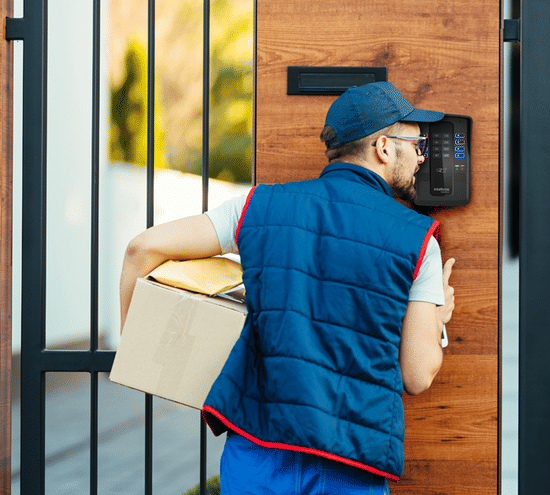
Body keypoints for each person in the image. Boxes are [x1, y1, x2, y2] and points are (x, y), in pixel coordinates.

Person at [119, 81, 456, 494]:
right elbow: (417, 374)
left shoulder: (256, 207)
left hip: (257, 450)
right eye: (417, 144)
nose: (421, 156)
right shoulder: (418, 240)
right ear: (383, 148)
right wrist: (437, 320)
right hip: (350, 460)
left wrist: (138, 356)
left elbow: (141, 249)